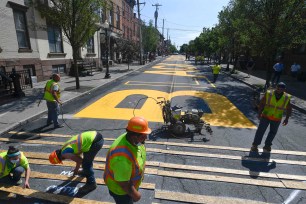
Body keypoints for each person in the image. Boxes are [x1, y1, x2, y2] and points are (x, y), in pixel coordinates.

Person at [104, 116, 151, 204]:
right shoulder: (122, 158)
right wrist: (136, 195)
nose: (146, 138)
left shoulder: (131, 139)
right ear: (134, 136)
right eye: (143, 135)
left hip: (130, 184)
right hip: (121, 191)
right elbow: (123, 183)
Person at [250, 82, 292, 153]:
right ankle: (255, 145)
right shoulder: (269, 93)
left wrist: (287, 118)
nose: (280, 89)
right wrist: (259, 113)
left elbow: (289, 108)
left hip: (276, 118)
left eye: (282, 88)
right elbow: (262, 103)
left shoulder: (286, 97)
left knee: (272, 132)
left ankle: (267, 146)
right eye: (278, 88)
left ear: (284, 89)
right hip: (266, 116)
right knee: (260, 131)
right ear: (276, 87)